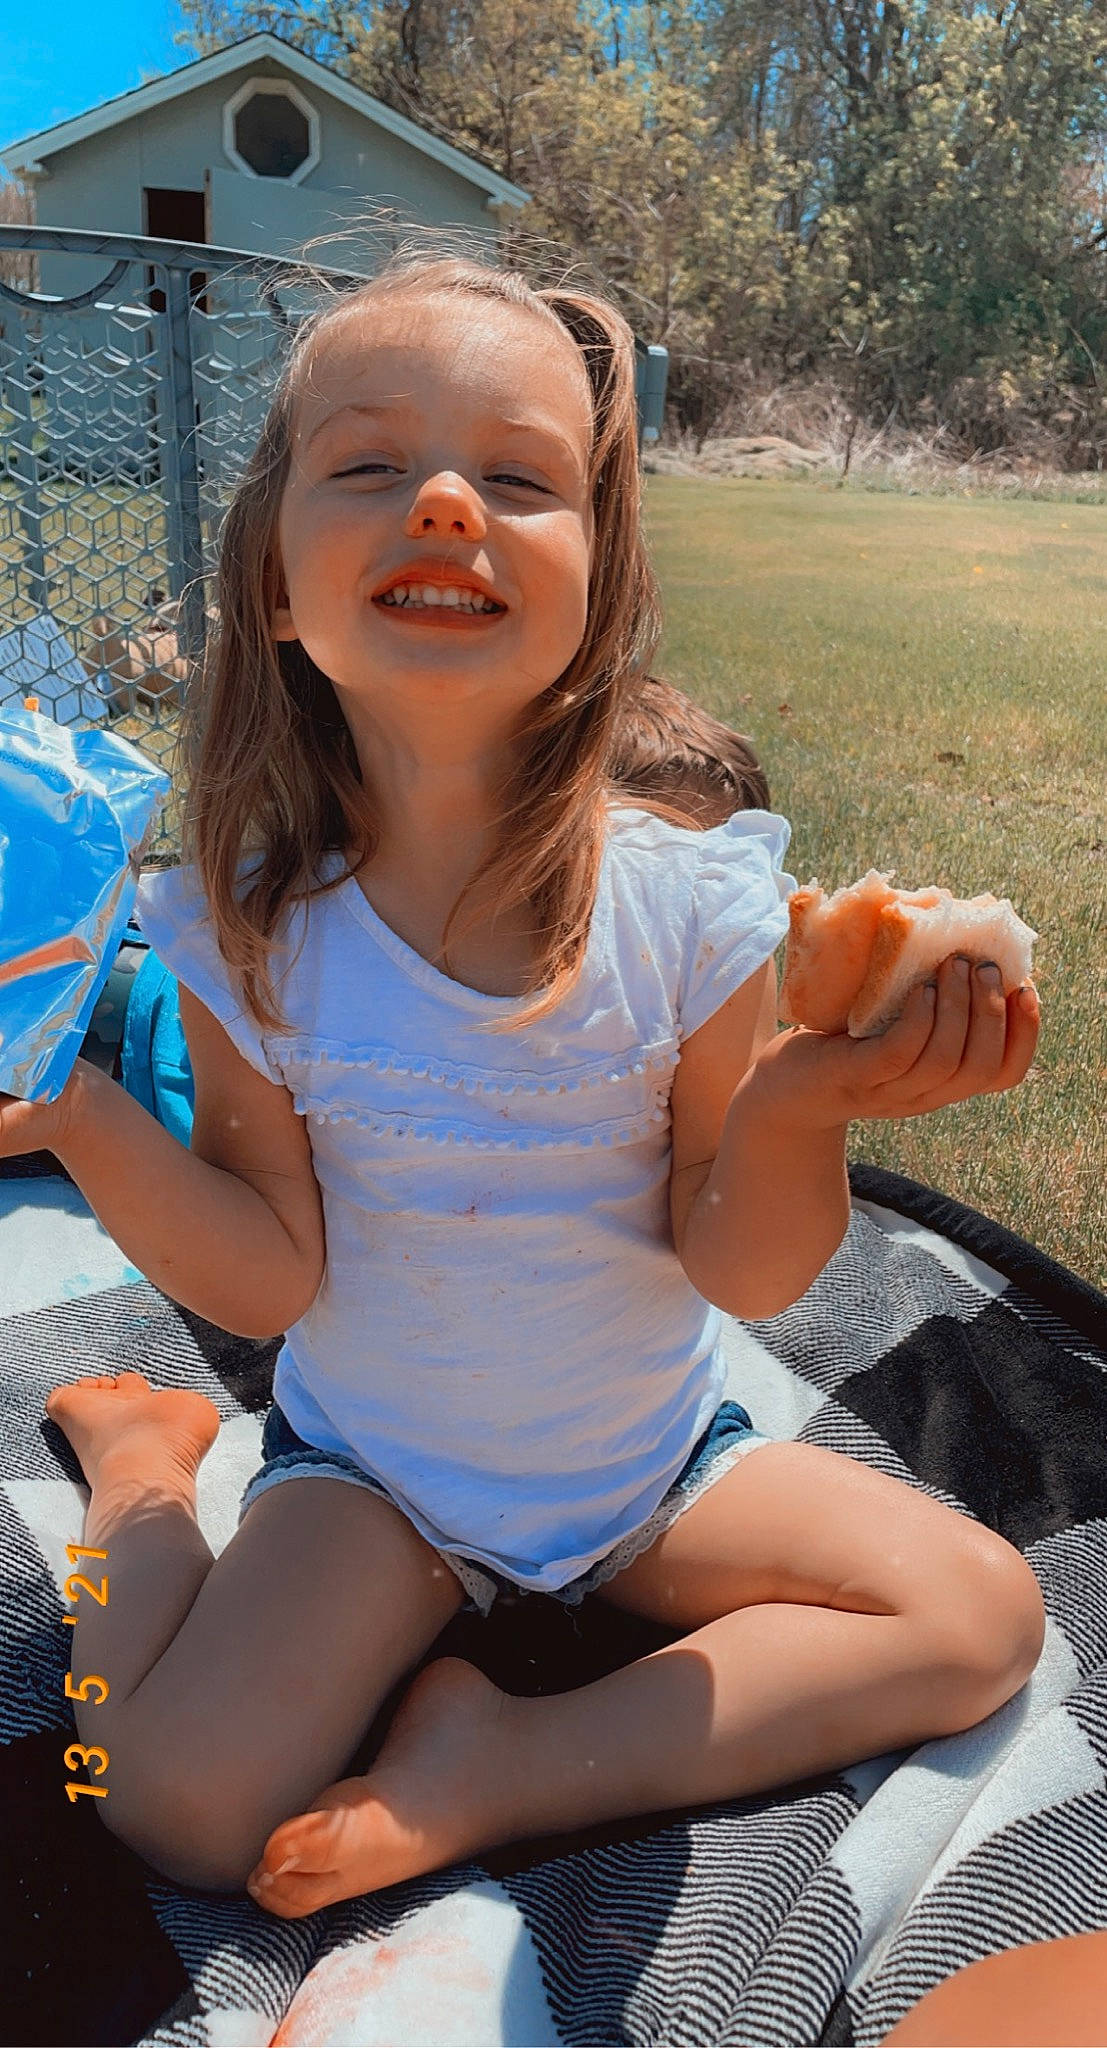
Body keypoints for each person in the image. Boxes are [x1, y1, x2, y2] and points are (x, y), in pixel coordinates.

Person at [7, 249, 1046, 1922]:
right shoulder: (247, 924)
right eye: (369, 463)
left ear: (602, 590)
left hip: (648, 1474)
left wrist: (799, 1106)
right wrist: (71, 1111)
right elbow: (268, 1279)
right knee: (157, 1801)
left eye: (517, 477)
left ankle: (502, 1763)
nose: (442, 503)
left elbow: (743, 1270)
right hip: (379, 1485)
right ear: (276, 585)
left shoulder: (692, 904)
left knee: (983, 1615)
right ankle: (141, 1473)